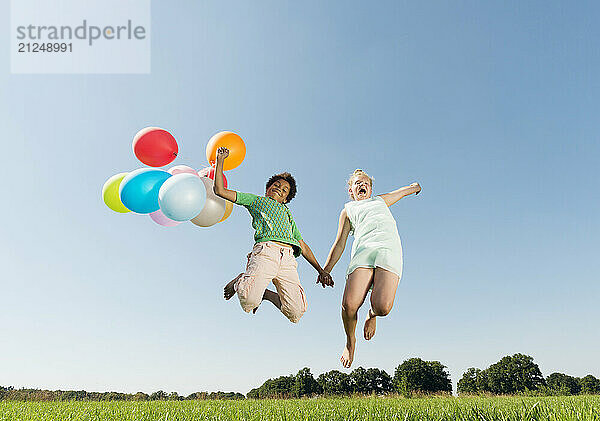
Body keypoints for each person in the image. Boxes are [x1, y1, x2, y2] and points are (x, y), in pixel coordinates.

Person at [213, 147, 333, 323]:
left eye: (284, 190)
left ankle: (266, 294)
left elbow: (304, 247)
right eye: (276, 185)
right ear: (267, 188)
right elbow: (220, 191)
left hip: (288, 260)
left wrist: (321, 271)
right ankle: (241, 281)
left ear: (286, 199)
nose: (280, 189)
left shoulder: (288, 214)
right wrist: (220, 160)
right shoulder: (256, 200)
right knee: (248, 301)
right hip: (266, 252)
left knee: (296, 313)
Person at [322, 169, 421, 367]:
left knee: (383, 307)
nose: (362, 185)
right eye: (357, 183)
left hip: (388, 250)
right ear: (351, 190)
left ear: (370, 188)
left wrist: (413, 188)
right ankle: (350, 343)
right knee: (349, 305)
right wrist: (326, 269)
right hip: (363, 253)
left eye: (365, 183)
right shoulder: (348, 210)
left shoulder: (379, 201)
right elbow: (339, 243)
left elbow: (399, 192)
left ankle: (371, 315)